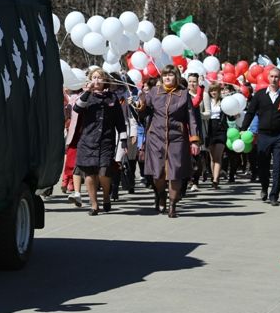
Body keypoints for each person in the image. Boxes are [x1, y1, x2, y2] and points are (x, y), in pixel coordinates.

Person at [135, 64, 201, 218]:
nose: (167, 78)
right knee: (157, 174)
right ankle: (161, 194)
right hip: (156, 137)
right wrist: (141, 104)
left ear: (176, 77)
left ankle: (173, 205)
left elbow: (191, 118)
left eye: (170, 75)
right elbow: (143, 114)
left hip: (177, 138)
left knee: (175, 173)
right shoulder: (154, 92)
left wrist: (195, 140)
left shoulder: (183, 94)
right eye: (165, 75)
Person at [74, 67, 128, 216]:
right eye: (94, 77)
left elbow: (120, 121)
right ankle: (94, 204)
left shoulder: (112, 98)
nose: (96, 80)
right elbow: (77, 109)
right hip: (87, 141)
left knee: (104, 172)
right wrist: (87, 91)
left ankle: (106, 196)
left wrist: (123, 141)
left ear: (105, 80)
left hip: (106, 141)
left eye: (99, 77)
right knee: (89, 174)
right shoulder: (86, 96)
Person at [240, 68, 280, 206]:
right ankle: (264, 187)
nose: (274, 79)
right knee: (263, 166)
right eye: (271, 76)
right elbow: (250, 113)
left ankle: (274, 195)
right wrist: (243, 129)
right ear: (268, 78)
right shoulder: (259, 95)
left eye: (277, 77)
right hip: (263, 135)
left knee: (278, 166)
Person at [202, 83, 230, 189]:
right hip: (209, 129)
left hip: (221, 129)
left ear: (219, 91)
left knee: (218, 156)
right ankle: (214, 176)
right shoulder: (206, 101)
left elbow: (230, 115)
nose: (213, 92)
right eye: (212, 90)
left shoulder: (224, 102)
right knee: (212, 157)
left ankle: (215, 180)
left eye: (215, 90)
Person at [61, 86, 84, 207]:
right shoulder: (70, 98)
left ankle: (70, 182)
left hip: (80, 131)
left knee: (74, 158)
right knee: (71, 157)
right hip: (72, 130)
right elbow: (67, 114)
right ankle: (67, 181)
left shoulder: (82, 97)